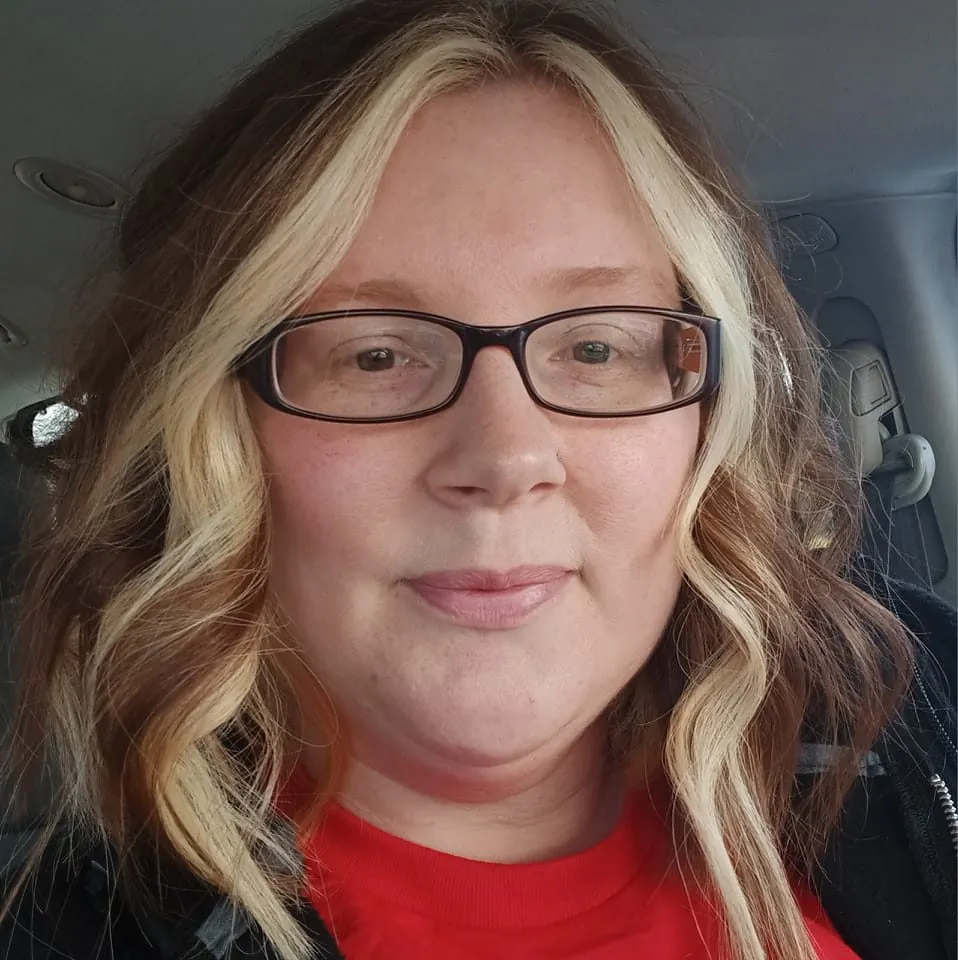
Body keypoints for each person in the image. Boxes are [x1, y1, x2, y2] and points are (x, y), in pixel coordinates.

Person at [0, 1, 954, 958]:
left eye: (594, 345)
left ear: (705, 419)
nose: (505, 460)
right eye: (372, 356)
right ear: (211, 432)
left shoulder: (920, 706)